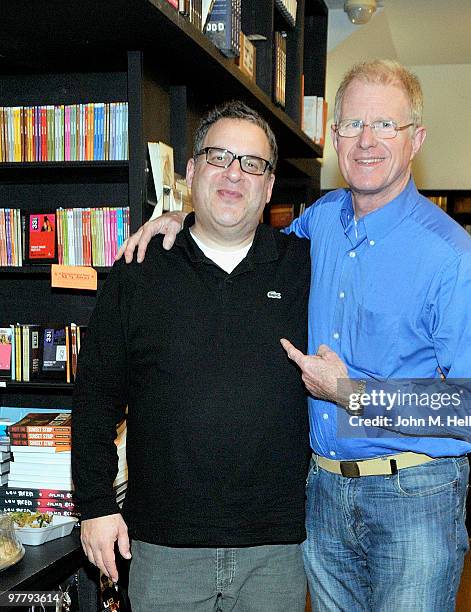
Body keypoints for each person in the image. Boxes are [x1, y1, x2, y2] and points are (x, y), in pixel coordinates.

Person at [119, 59, 471, 611]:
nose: (366, 141)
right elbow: (241, 232)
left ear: (416, 139)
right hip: (321, 496)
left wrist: (352, 393)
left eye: (385, 126)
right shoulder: (319, 221)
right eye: (351, 124)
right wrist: (187, 216)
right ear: (335, 136)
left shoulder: (452, 257)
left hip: (413, 498)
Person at [72, 101, 311, 612]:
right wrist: (94, 505)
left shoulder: (304, 270)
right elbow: (95, 399)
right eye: (219, 156)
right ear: (191, 171)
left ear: (269, 187)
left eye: (253, 164)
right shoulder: (138, 271)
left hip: (275, 552)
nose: (233, 174)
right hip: (162, 550)